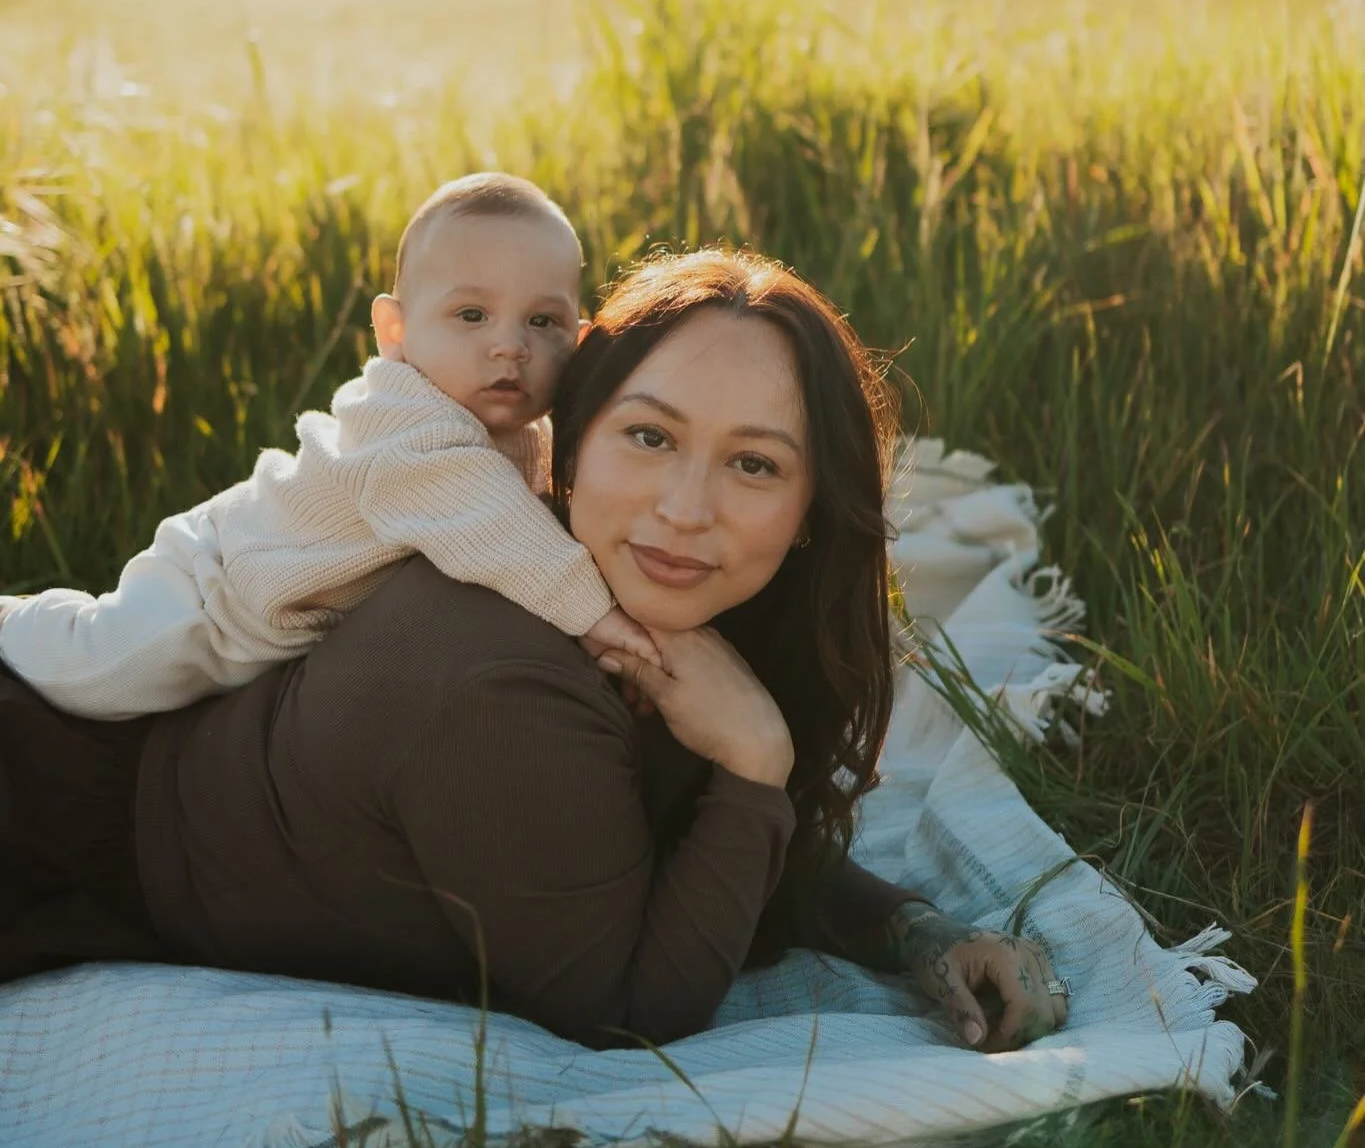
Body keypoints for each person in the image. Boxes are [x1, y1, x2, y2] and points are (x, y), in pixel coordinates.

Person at [0, 248, 1069, 1056]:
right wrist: (752, 762)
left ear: (810, 509)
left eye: (753, 463)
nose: (684, 509)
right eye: (648, 436)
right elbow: (626, 1004)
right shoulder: (504, 678)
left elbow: (695, 845)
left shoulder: (647, 612)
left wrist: (922, 934)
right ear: (572, 443)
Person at [0, 173, 654, 721]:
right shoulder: (405, 421)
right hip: (221, 591)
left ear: (581, 336)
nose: (510, 345)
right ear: (394, 329)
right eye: (471, 316)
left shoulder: (529, 431)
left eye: (542, 322)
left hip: (295, 594)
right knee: (101, 673)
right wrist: (598, 616)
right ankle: (14, 625)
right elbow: (492, 519)